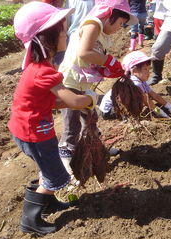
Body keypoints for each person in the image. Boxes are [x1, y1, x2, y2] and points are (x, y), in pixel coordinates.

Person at [9, 1, 98, 236]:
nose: (66, 33)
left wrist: (79, 100)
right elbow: (73, 101)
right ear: (47, 38)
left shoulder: (37, 67)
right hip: (35, 134)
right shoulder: (44, 72)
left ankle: (48, 203)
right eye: (62, 29)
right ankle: (30, 219)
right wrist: (89, 99)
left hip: (30, 129)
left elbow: (54, 102)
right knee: (54, 175)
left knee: (48, 170)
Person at [58, 0, 138, 174]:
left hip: (83, 81)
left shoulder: (101, 31)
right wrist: (110, 62)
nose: (119, 28)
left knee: (90, 118)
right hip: (71, 80)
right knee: (72, 123)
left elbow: (92, 57)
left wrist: (105, 69)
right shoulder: (93, 24)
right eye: (120, 23)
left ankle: (97, 149)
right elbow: (84, 52)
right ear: (110, 15)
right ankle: (66, 157)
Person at [99, 51, 171, 119]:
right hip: (109, 111)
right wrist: (163, 115)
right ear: (134, 71)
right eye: (145, 69)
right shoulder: (134, 83)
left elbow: (154, 96)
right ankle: (126, 117)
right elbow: (148, 102)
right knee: (138, 103)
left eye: (149, 69)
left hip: (116, 106)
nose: (148, 72)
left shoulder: (141, 80)